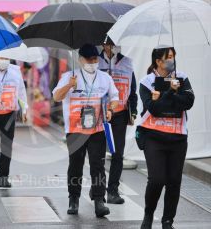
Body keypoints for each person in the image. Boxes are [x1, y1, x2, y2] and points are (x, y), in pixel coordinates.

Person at [52, 44, 119, 218]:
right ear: (80, 60)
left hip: (97, 129)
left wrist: (111, 109)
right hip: (75, 129)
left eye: (95, 59)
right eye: (89, 60)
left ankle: (99, 201)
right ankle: (73, 198)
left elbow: (115, 98)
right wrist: (68, 86)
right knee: (76, 165)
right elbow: (56, 97)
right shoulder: (69, 76)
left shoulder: (105, 78)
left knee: (97, 165)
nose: (92, 63)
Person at [139, 47, 194, 229]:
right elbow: (152, 109)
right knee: (156, 179)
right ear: (158, 61)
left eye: (173, 57)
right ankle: (148, 214)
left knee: (174, 181)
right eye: (168, 57)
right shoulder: (147, 82)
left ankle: (168, 220)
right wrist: (170, 93)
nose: (172, 60)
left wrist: (169, 94)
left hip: (178, 138)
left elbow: (189, 102)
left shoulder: (182, 78)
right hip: (153, 137)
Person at [97, 40, 138, 204]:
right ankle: (98, 190)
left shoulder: (127, 63)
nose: (111, 47)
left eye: (114, 43)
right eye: (108, 43)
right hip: (99, 113)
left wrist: (133, 111)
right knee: (98, 154)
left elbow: (132, 91)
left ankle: (112, 190)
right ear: (102, 44)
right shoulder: (95, 61)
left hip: (119, 114)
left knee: (118, 153)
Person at [0, 56, 28, 188]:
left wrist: (24, 109)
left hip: (9, 113)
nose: (4, 60)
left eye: (6, 57)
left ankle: (4, 176)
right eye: (1, 57)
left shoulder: (15, 70)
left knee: (7, 146)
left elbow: (21, 91)